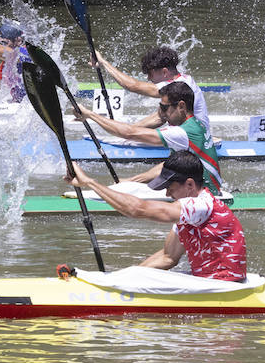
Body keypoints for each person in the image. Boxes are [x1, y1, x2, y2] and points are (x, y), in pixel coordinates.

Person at [65, 150, 247, 282]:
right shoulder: (190, 214)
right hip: (210, 281)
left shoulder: (200, 205)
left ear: (190, 184)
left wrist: (90, 183)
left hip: (224, 285)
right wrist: (125, 277)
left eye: (171, 188)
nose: (168, 194)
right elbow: (168, 257)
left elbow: (137, 209)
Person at [74, 80, 225, 193]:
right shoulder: (195, 124)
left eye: (164, 108)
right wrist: (129, 181)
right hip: (205, 190)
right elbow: (168, 167)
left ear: (181, 106)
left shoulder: (181, 133)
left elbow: (130, 133)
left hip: (204, 195)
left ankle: (91, 185)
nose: (161, 113)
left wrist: (90, 115)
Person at [91, 44, 210, 133]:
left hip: (193, 139)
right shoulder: (183, 80)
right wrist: (126, 130)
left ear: (164, 72)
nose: (148, 78)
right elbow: (160, 117)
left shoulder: (179, 85)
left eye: (150, 74)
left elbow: (133, 86)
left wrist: (103, 62)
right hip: (189, 133)